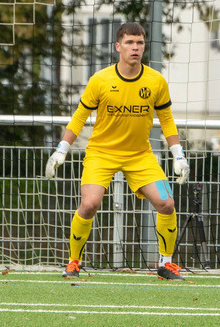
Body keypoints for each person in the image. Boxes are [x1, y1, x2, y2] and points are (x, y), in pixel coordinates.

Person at [44, 22, 190, 281]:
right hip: (101, 153)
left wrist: (178, 154)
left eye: (140, 42)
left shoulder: (156, 81)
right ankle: (73, 262)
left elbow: (166, 120)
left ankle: (166, 264)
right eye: (130, 42)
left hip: (140, 156)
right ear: (118, 46)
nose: (135, 47)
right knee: (89, 204)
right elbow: (79, 117)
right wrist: (61, 150)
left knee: (167, 203)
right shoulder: (100, 80)